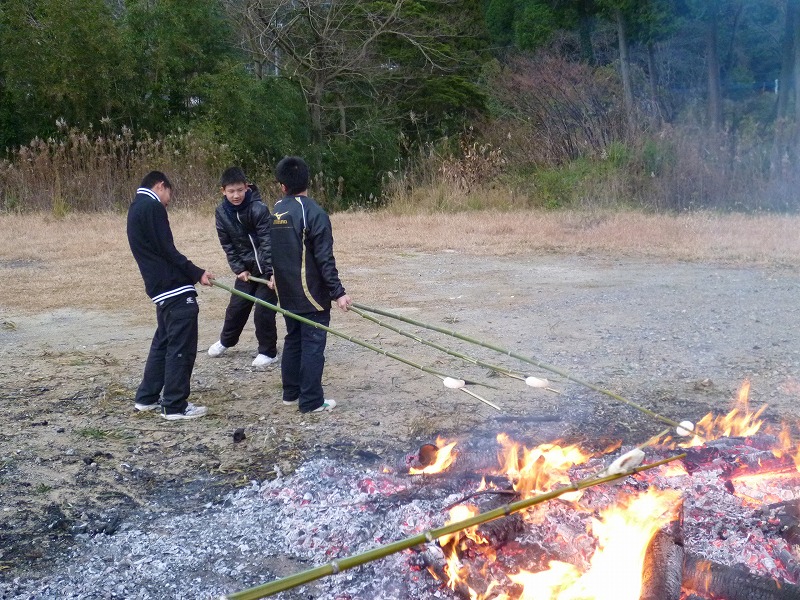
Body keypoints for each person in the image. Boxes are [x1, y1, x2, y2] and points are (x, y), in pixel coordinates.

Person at [127, 171, 213, 420]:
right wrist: (197, 273)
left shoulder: (136, 208)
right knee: (181, 346)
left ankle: (147, 397)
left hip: (160, 289)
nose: (167, 202)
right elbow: (168, 250)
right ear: (161, 186)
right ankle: (174, 405)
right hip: (173, 289)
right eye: (168, 197)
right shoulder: (152, 207)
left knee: (163, 342)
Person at [269, 156, 352, 413]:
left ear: (282, 185)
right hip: (311, 295)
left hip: (287, 293)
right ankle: (311, 401)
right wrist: (339, 293)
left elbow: (271, 249)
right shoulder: (314, 212)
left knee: (293, 339)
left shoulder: (276, 211)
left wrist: (273, 275)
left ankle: (290, 394)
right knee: (313, 345)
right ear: (308, 181)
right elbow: (324, 257)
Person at [207, 166, 279, 368]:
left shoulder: (258, 209)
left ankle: (268, 352)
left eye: (240, 190)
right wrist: (239, 269)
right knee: (236, 307)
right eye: (231, 191)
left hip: (267, 270)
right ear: (223, 191)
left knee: (263, 310)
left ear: (247, 187)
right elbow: (227, 244)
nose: (236, 195)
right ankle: (226, 341)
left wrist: (272, 272)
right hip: (246, 270)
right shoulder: (221, 212)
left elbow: (267, 242)